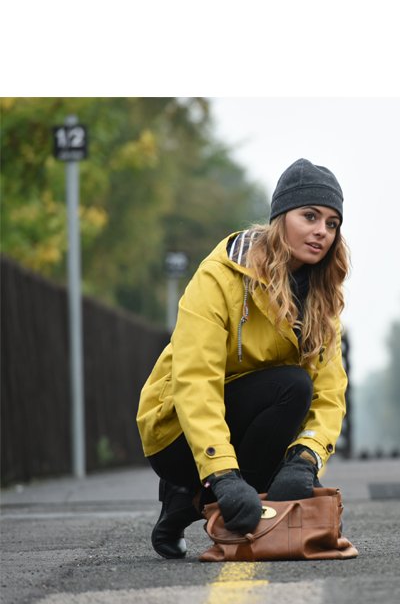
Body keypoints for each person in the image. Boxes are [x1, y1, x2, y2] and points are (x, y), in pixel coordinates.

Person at [136, 158, 349, 558]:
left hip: (247, 427)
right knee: (291, 385)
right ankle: (201, 490)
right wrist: (224, 476)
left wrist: (305, 460)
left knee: (297, 409)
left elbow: (330, 394)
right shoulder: (219, 276)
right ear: (280, 218)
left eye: (332, 223)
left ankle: (206, 502)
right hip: (176, 430)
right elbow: (196, 380)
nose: (322, 230)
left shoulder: (322, 298)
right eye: (310, 216)